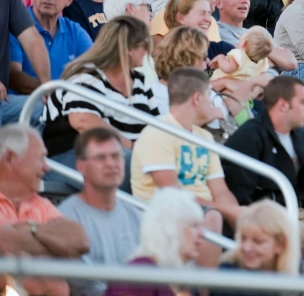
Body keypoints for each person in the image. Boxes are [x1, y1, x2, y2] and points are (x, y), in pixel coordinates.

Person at [131, 68, 240, 270]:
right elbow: (171, 192)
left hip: (205, 212)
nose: (212, 102)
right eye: (210, 96)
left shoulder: (204, 137)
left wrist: (237, 215)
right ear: (197, 98)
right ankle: (205, 290)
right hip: (164, 213)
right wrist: (226, 210)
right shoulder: (157, 132)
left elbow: (221, 190)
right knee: (213, 216)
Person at [42, 16, 157, 188]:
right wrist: (132, 148)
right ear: (129, 49)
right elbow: (83, 120)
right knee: (132, 165)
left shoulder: (140, 83)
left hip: (123, 156)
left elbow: (154, 127)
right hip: (74, 154)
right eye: (145, 46)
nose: (148, 52)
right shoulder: (87, 76)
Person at [223, 76, 304, 248]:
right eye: (303, 102)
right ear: (283, 105)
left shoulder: (302, 139)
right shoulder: (249, 136)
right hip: (262, 213)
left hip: (297, 211)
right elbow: (238, 189)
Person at [0, 125, 90, 296]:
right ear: (11, 158)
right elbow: (4, 241)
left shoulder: (41, 203)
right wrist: (53, 248)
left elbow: (79, 241)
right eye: (40, 158)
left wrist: (29, 229)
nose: (46, 167)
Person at [58, 128, 142, 296]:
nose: (111, 164)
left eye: (116, 156)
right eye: (100, 158)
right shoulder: (66, 218)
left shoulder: (136, 215)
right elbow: (84, 285)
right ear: (81, 166)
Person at [103, 188, 205, 296]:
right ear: (169, 227)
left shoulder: (181, 279)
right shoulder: (139, 273)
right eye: (194, 225)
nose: (202, 234)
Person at [9, 0, 92, 95]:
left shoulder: (75, 31)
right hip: (24, 103)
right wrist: (56, 94)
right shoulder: (15, 24)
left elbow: (95, 70)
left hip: (65, 104)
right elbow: (13, 77)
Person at [215, 200, 299, 286]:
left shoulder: (299, 274)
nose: (246, 247)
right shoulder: (226, 277)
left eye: (258, 241)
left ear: (281, 244)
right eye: (243, 239)